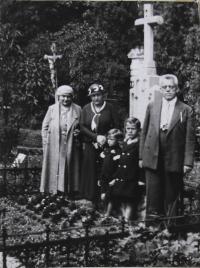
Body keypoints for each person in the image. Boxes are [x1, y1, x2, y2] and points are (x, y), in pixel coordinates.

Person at [139, 74, 195, 219]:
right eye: (165, 87)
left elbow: (190, 138)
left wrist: (188, 162)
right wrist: (141, 156)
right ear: (160, 89)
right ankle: (150, 231)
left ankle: (171, 231)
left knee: (172, 196)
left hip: (174, 158)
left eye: (171, 87)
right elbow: (144, 132)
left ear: (177, 89)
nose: (168, 90)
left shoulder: (186, 110)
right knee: (153, 195)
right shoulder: (152, 106)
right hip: (152, 157)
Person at [40, 85, 82, 196]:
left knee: (68, 166)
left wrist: (79, 133)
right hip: (54, 143)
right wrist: (46, 143)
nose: (66, 99)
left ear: (72, 97)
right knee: (55, 165)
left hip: (70, 143)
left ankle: (67, 191)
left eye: (68, 97)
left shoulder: (78, 109)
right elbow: (44, 127)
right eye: (63, 96)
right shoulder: (52, 109)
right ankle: (52, 190)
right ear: (58, 97)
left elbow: (82, 127)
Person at [80, 83, 118, 203]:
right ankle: (89, 197)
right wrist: (95, 137)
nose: (96, 98)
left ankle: (104, 198)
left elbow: (116, 126)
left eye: (98, 95)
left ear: (103, 95)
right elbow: (82, 126)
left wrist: (106, 138)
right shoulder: (86, 108)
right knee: (90, 169)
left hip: (106, 144)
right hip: (90, 142)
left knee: (104, 169)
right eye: (93, 96)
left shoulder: (110, 108)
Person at [110, 117, 141, 221]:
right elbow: (121, 162)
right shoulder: (125, 142)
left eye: (133, 129)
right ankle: (121, 220)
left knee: (129, 200)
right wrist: (115, 177)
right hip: (122, 176)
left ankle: (127, 221)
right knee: (121, 199)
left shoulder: (139, 144)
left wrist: (141, 179)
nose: (130, 131)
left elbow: (141, 163)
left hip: (132, 177)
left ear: (138, 130)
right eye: (128, 129)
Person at [99, 128, 123, 217]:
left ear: (118, 140)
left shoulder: (119, 152)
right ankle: (104, 211)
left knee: (110, 197)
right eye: (108, 139)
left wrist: (115, 179)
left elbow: (120, 168)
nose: (109, 141)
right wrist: (100, 178)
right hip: (104, 177)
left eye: (112, 139)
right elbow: (102, 166)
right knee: (103, 195)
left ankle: (108, 214)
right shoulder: (106, 150)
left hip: (112, 178)